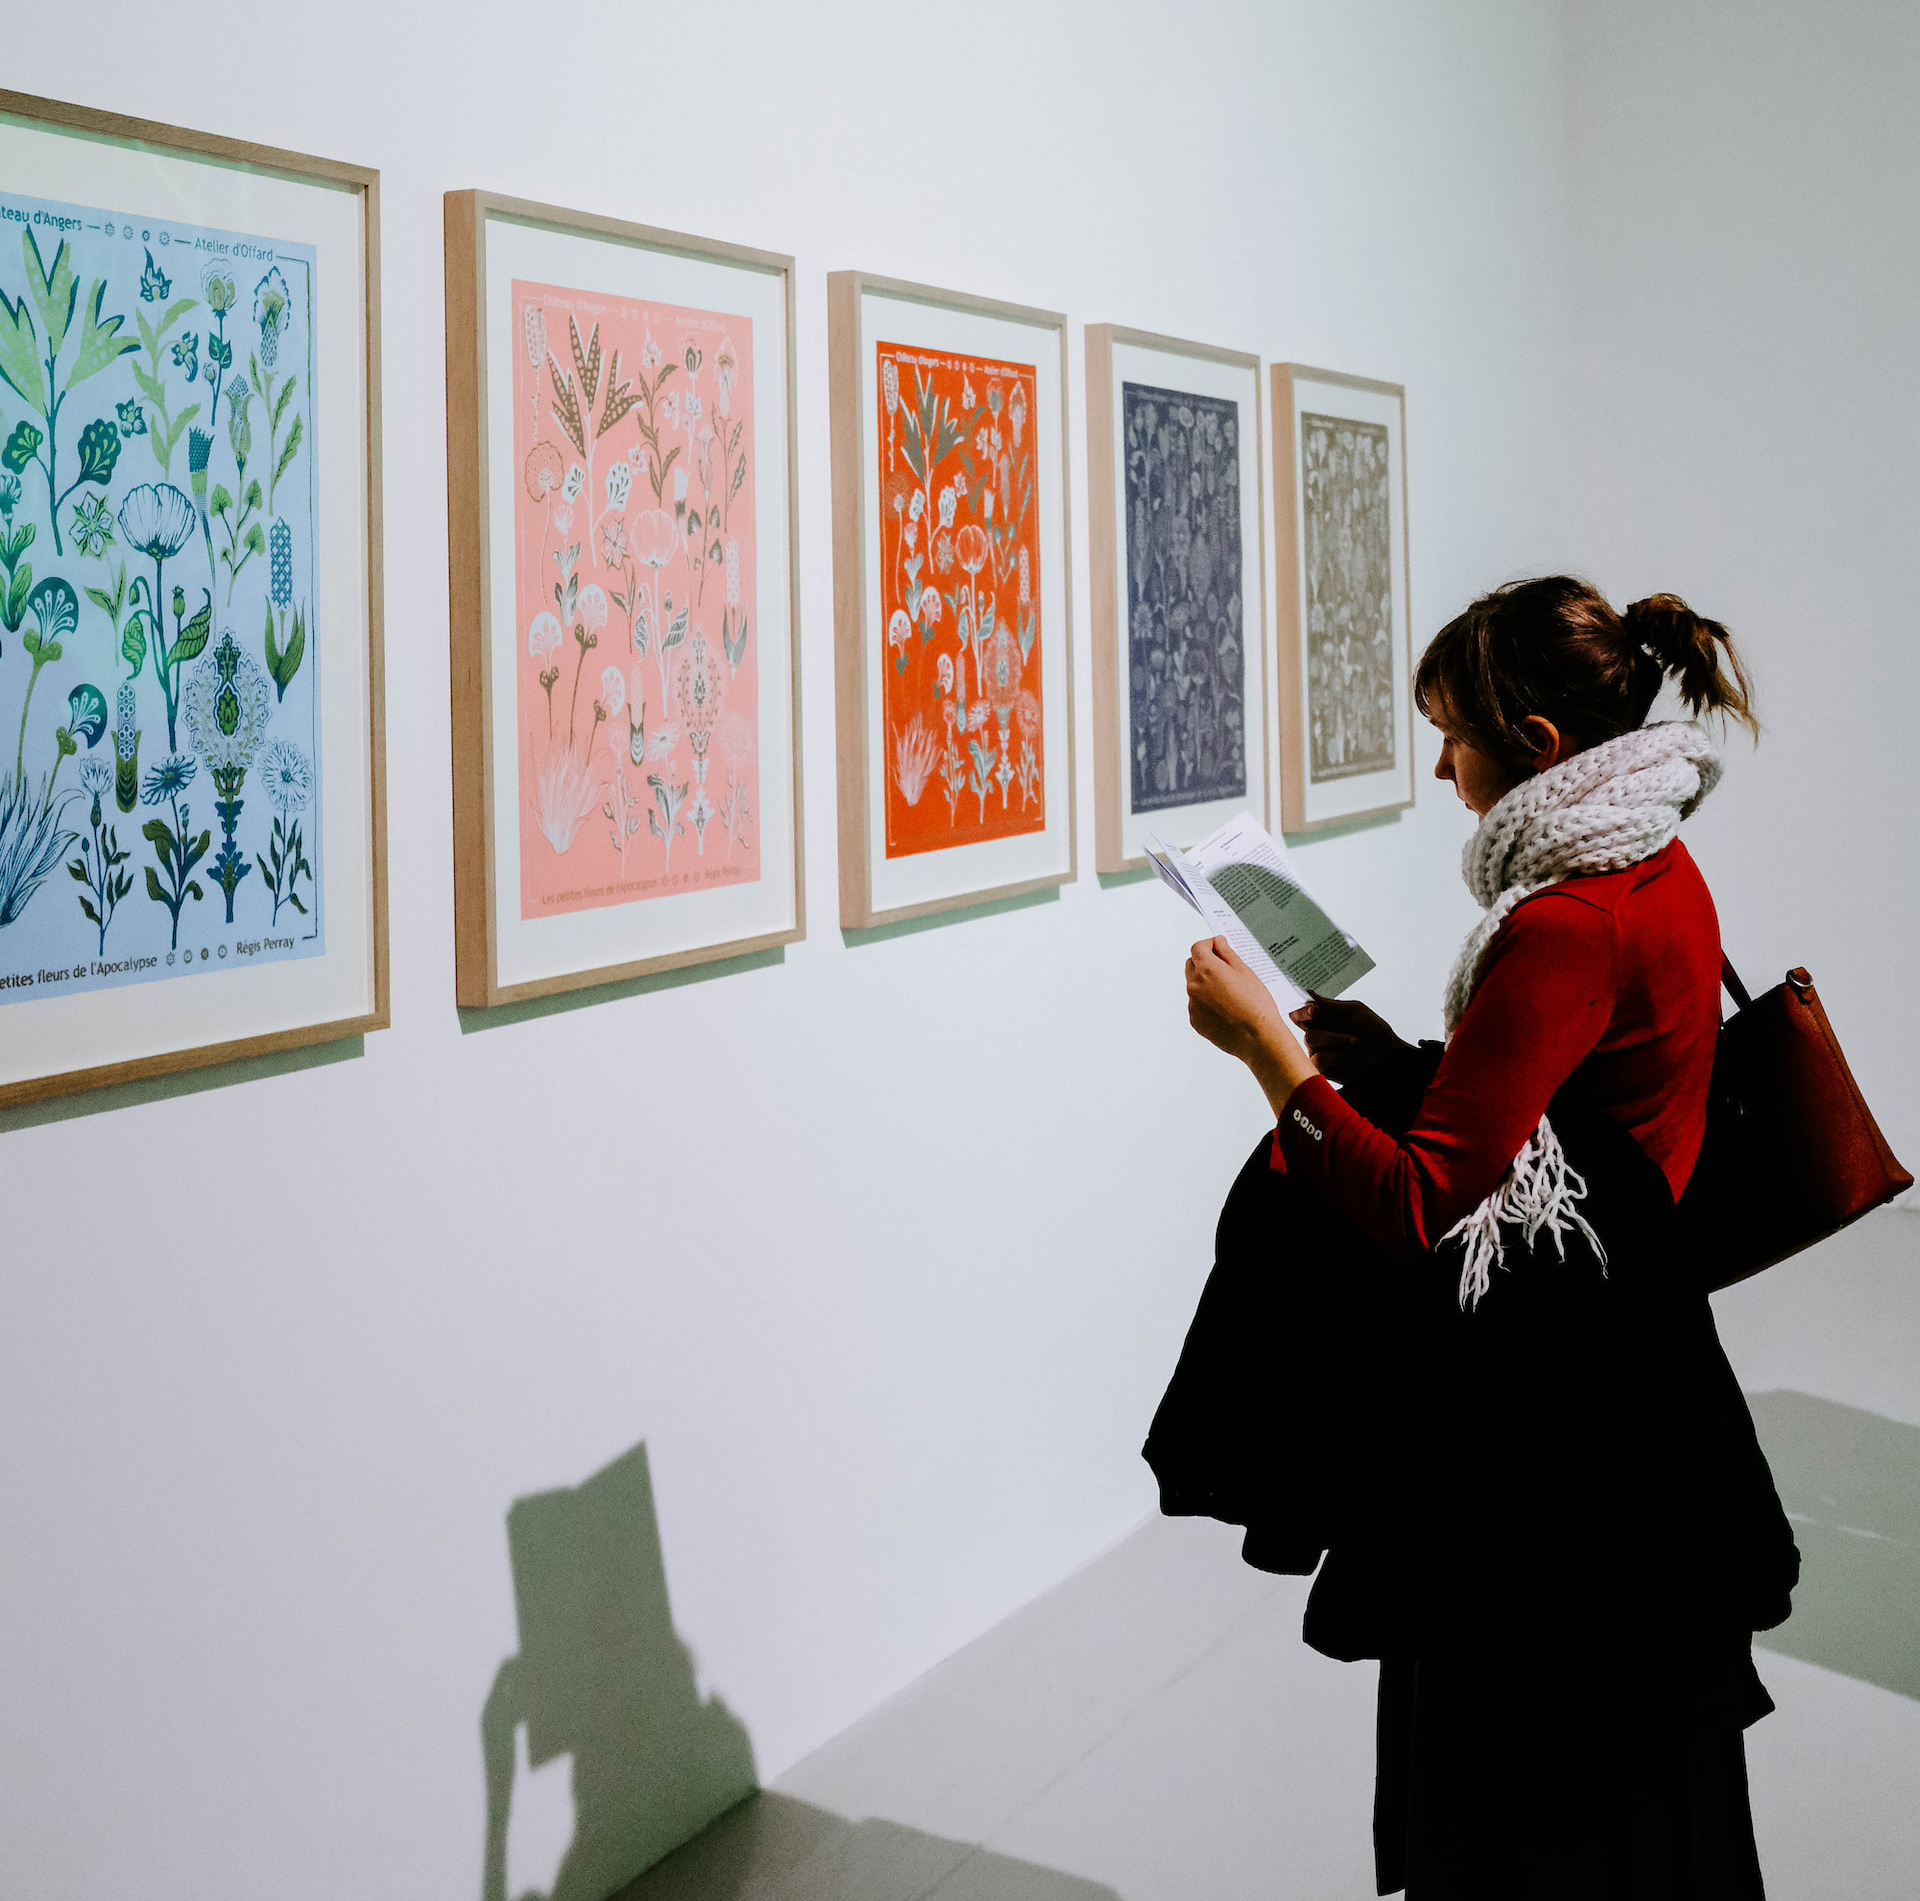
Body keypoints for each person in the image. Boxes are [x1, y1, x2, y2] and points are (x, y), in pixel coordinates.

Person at [1170, 577, 1800, 1898]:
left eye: (1452, 731)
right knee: (1637, 1789)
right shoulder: (1653, 865)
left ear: (1539, 744)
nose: (1441, 763)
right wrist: (1402, 1059)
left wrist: (1271, 1057)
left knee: (1538, 1785)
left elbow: (1419, 1204)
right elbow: (1561, 1115)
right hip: (1642, 1385)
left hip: (1551, 1448)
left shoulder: (1562, 924)